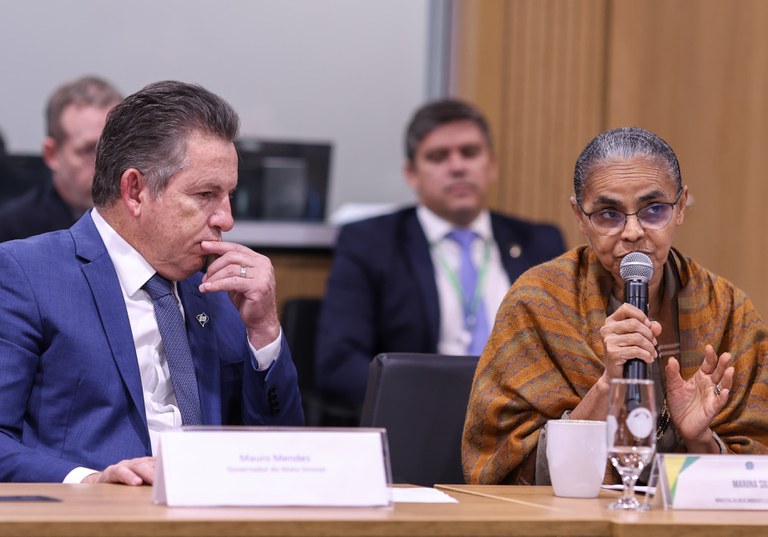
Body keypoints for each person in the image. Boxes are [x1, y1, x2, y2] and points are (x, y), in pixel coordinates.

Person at [0, 80, 304, 484]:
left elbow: (281, 455)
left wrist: (264, 331)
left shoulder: (217, 291)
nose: (226, 220)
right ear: (135, 191)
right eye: (205, 194)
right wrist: (89, 482)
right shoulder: (27, 274)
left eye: (229, 194)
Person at [462, 126, 768, 485]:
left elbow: (754, 471)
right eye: (609, 214)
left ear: (681, 207)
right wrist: (607, 386)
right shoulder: (537, 302)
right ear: (579, 217)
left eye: (654, 210)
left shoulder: (728, 310)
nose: (633, 231)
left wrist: (699, 437)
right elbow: (501, 465)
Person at [315, 99, 566, 407]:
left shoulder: (539, 243)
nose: (458, 167)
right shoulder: (371, 243)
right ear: (412, 174)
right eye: (438, 157)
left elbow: (565, 352)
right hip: (420, 417)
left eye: (470, 153)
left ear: (492, 166)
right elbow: (338, 363)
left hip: (522, 420)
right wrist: (425, 402)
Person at [0, 76, 123, 242]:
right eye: (89, 150)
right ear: (52, 154)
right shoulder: (13, 230)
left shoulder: (149, 216)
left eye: (116, 146)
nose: (108, 163)